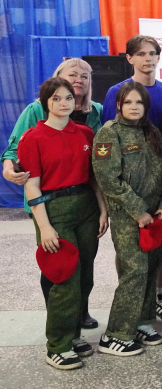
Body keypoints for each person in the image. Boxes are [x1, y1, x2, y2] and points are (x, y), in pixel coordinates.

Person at [3, 58, 104, 329]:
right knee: (58, 264)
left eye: (85, 76)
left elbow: (95, 163)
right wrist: (9, 169)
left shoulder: (94, 113)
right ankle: (60, 320)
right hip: (46, 198)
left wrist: (103, 206)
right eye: (73, 74)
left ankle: (80, 312)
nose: (79, 79)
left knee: (85, 263)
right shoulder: (35, 111)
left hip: (83, 200)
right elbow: (14, 150)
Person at [19, 77, 109, 370]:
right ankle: (57, 344)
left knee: (85, 276)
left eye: (68, 97)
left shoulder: (84, 133)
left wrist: (102, 209)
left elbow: (93, 178)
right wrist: (44, 226)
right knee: (64, 278)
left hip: (85, 206)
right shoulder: (33, 138)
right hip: (53, 209)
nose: (64, 103)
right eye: (56, 98)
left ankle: (73, 335)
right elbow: (32, 185)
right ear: (45, 103)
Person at [93, 82, 162, 356]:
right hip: (128, 217)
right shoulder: (109, 134)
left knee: (151, 269)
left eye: (138, 103)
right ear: (118, 105)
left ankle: (140, 322)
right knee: (134, 272)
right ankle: (115, 334)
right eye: (128, 102)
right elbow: (109, 179)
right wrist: (138, 210)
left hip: (153, 217)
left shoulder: (151, 132)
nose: (133, 107)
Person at [101, 34, 162, 321]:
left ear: (158, 57)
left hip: (160, 185)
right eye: (141, 53)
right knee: (130, 246)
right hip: (127, 189)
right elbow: (109, 139)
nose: (148, 58)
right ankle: (130, 294)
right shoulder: (116, 92)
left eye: (153, 53)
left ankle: (157, 293)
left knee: (160, 240)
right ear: (130, 58)